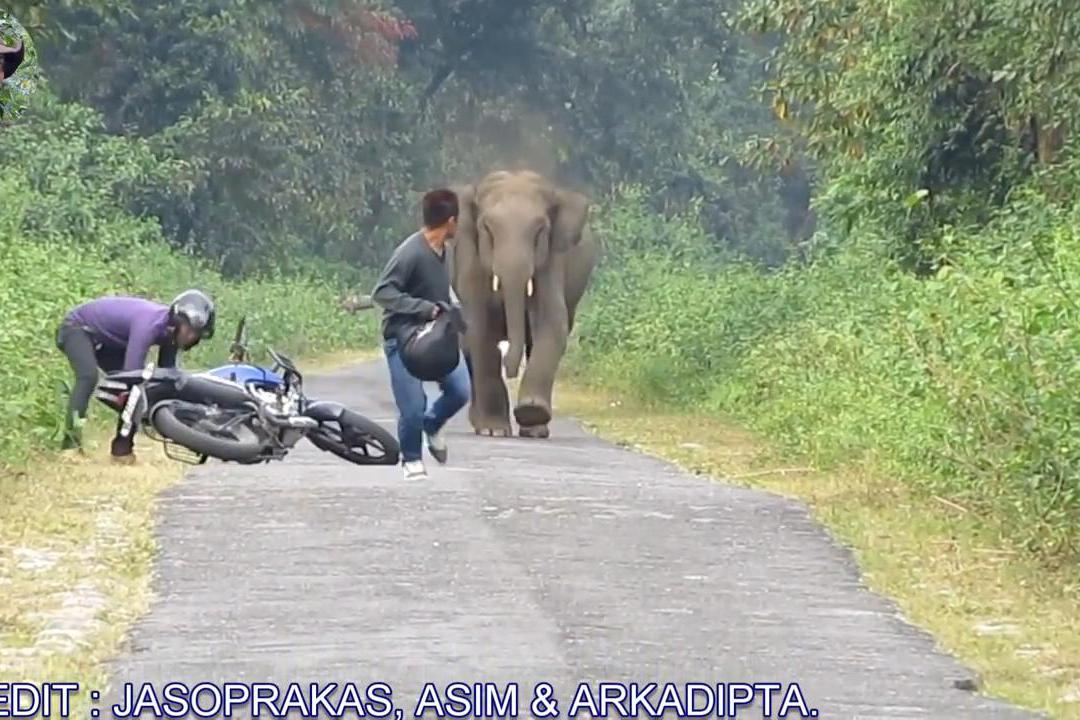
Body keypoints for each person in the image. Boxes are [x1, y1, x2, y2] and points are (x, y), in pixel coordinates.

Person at [372, 188, 471, 480]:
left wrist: (454, 308)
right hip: (403, 339)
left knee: (460, 390)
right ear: (451, 221)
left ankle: (432, 424)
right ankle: (412, 459)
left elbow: (440, 289)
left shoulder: (445, 252)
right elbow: (383, 292)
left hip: (436, 337)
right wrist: (423, 309)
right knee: (412, 407)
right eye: (458, 221)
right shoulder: (410, 252)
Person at [55, 290, 217, 462]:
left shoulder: (171, 334)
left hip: (109, 342)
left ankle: (121, 452)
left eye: (196, 334)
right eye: (188, 331)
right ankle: (70, 447)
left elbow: (167, 377)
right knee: (90, 377)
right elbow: (131, 373)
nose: (190, 337)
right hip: (77, 328)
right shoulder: (149, 324)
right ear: (178, 321)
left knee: (145, 389)